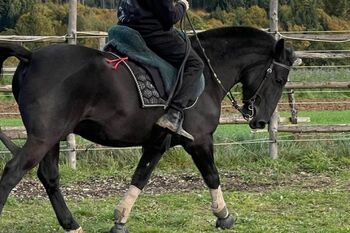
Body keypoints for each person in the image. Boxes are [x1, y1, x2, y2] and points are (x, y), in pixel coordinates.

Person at [117, 0, 204, 141]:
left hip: (125, 30)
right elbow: (171, 17)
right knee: (195, 64)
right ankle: (173, 114)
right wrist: (182, 5)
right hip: (150, 33)